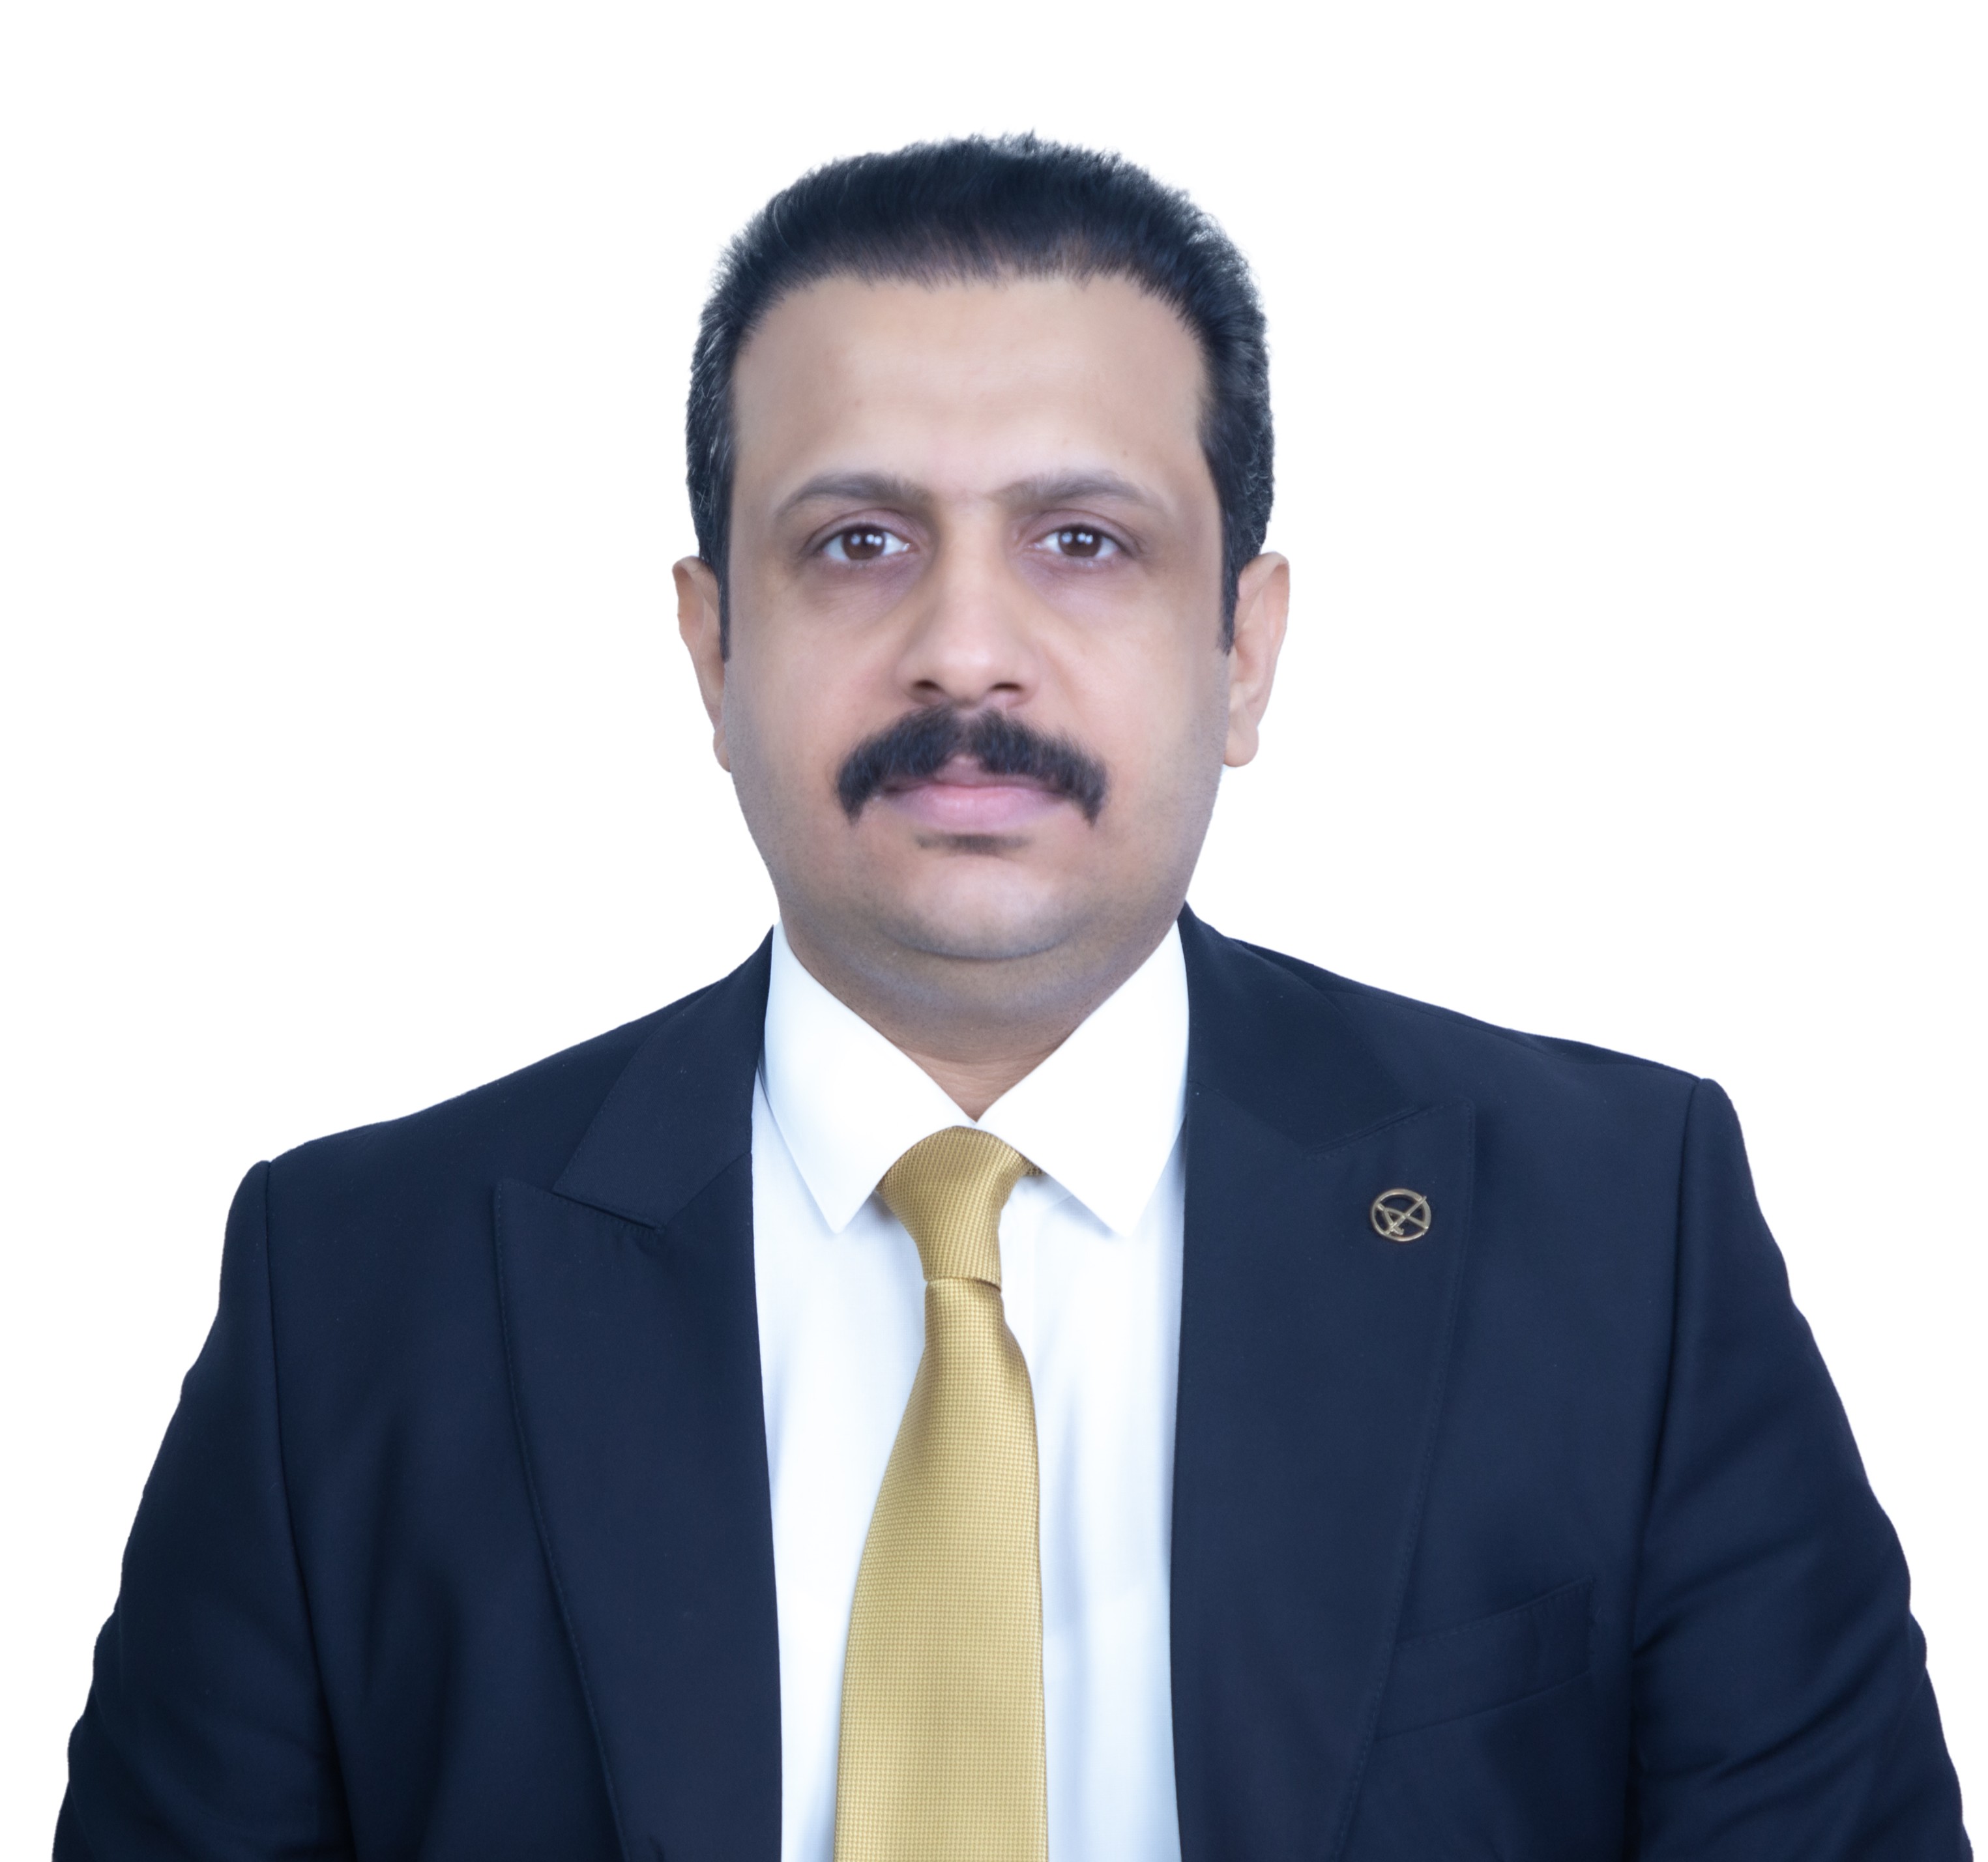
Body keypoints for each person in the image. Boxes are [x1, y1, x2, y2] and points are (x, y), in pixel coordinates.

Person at [58, 136, 1967, 1862]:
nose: (966, 650)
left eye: (1083, 543)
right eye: (857, 544)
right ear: (712, 652)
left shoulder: (1619, 1235)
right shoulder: (356, 1288)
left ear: (1242, 651)